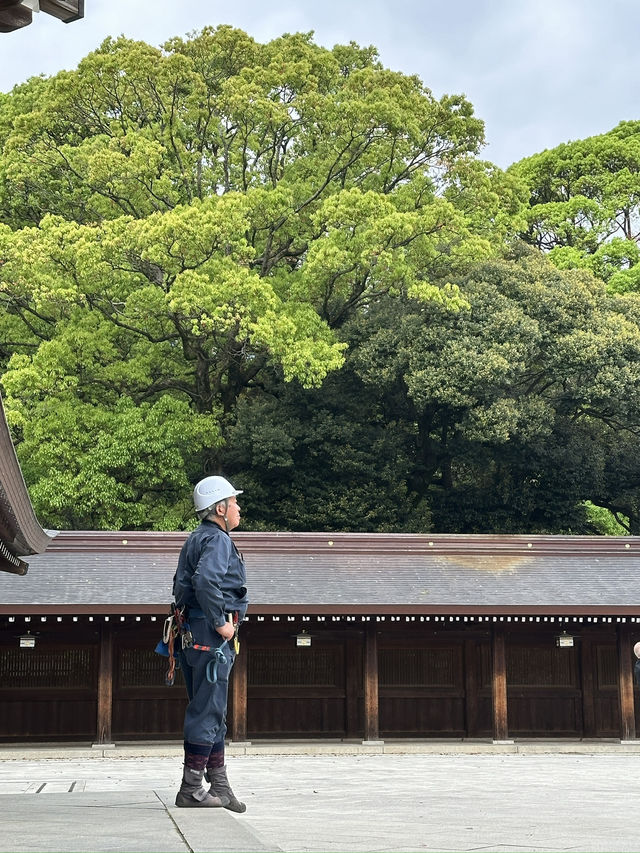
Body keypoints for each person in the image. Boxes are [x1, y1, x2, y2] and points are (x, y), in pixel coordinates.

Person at [172, 475, 249, 810]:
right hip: (210, 637)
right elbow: (205, 580)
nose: (238, 508)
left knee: (212, 709)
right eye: (234, 502)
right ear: (220, 508)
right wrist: (222, 623)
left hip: (193, 636)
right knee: (208, 709)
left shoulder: (196, 538)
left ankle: (219, 786)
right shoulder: (217, 540)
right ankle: (190, 789)